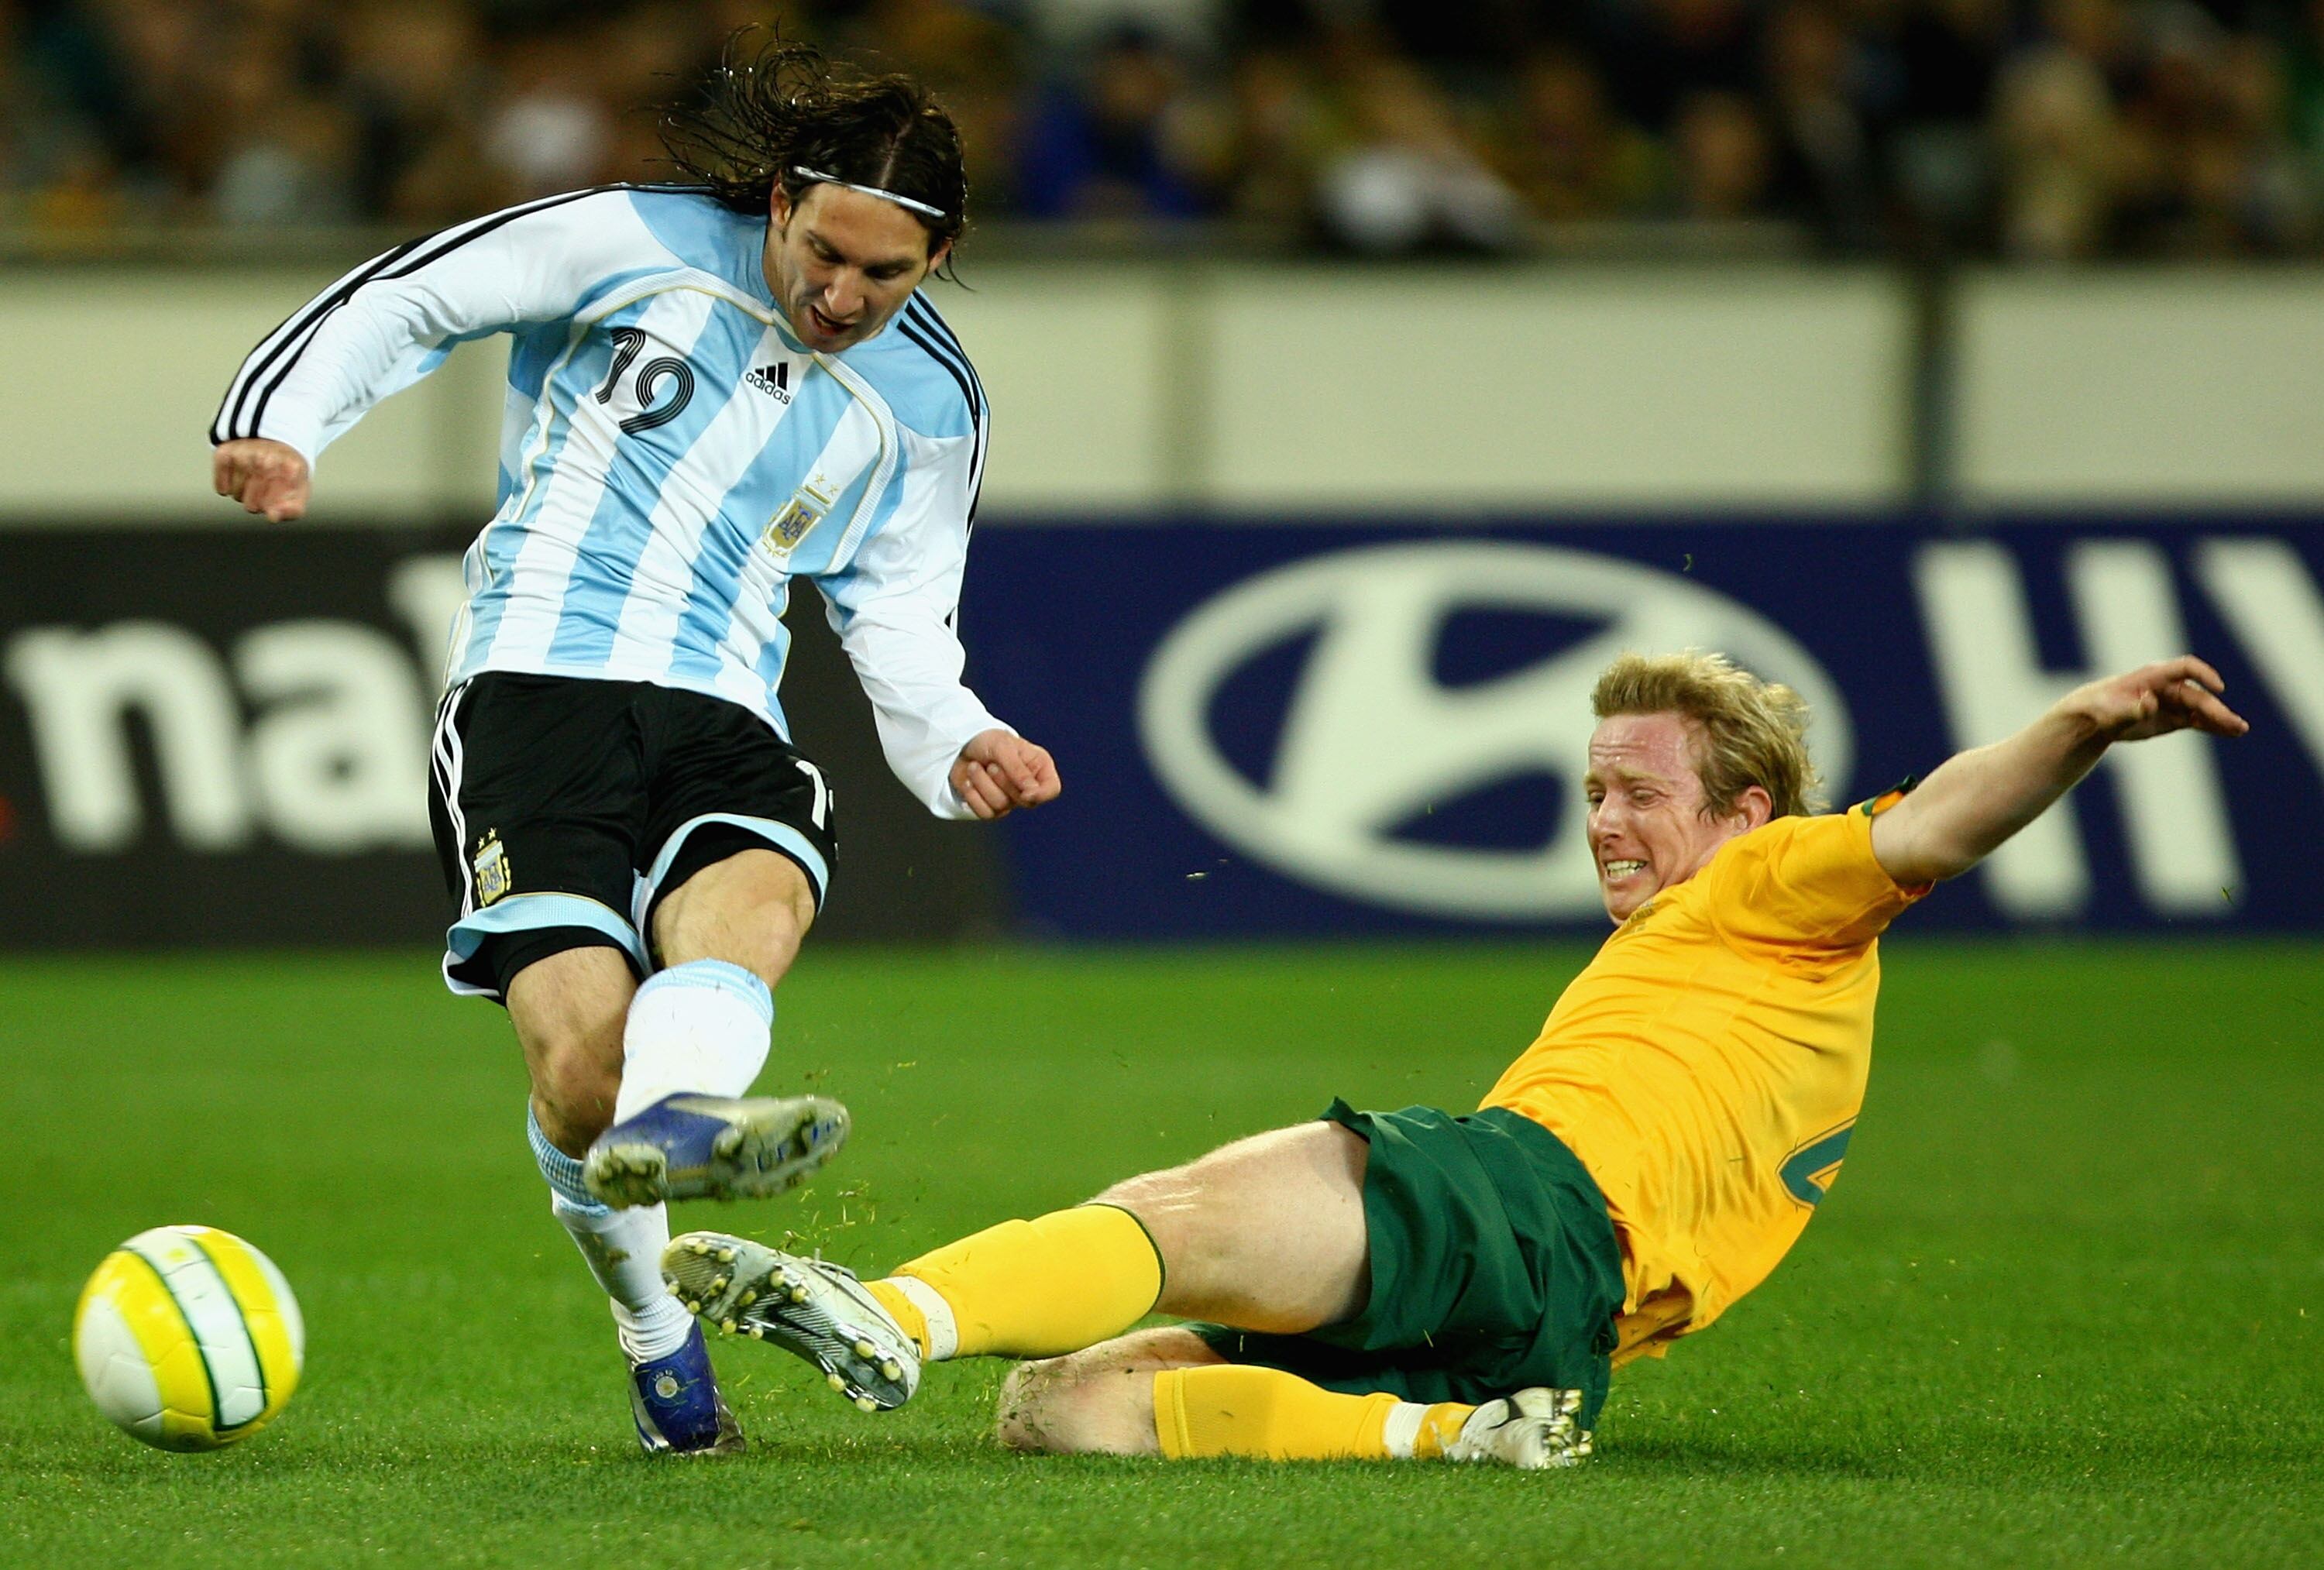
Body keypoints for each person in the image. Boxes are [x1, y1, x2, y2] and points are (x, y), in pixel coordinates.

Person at [664, 649, 2246, 1468]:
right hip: (1567, 1326)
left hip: (1540, 1209)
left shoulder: (1780, 891)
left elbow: (1934, 824)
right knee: (1066, 1412)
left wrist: (2084, 725)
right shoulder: (1721, 976)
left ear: (1746, 819)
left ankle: (893, 1316)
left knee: (1200, 1211)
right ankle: (1448, 1434)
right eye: (1594, 788)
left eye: (1640, 791)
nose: (1606, 820)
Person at [208, 38, 1060, 1457]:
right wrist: (280, 425)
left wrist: (960, 731)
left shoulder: (930, 405)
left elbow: (900, 610)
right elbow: (415, 298)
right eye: (827, 254)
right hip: (536, 685)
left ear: (942, 255)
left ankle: (687, 1119)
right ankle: (660, 1330)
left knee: (759, 897)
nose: (842, 297)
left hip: (727, 706)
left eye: (886, 275)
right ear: (783, 198)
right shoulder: (635, 239)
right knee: (577, 1079)